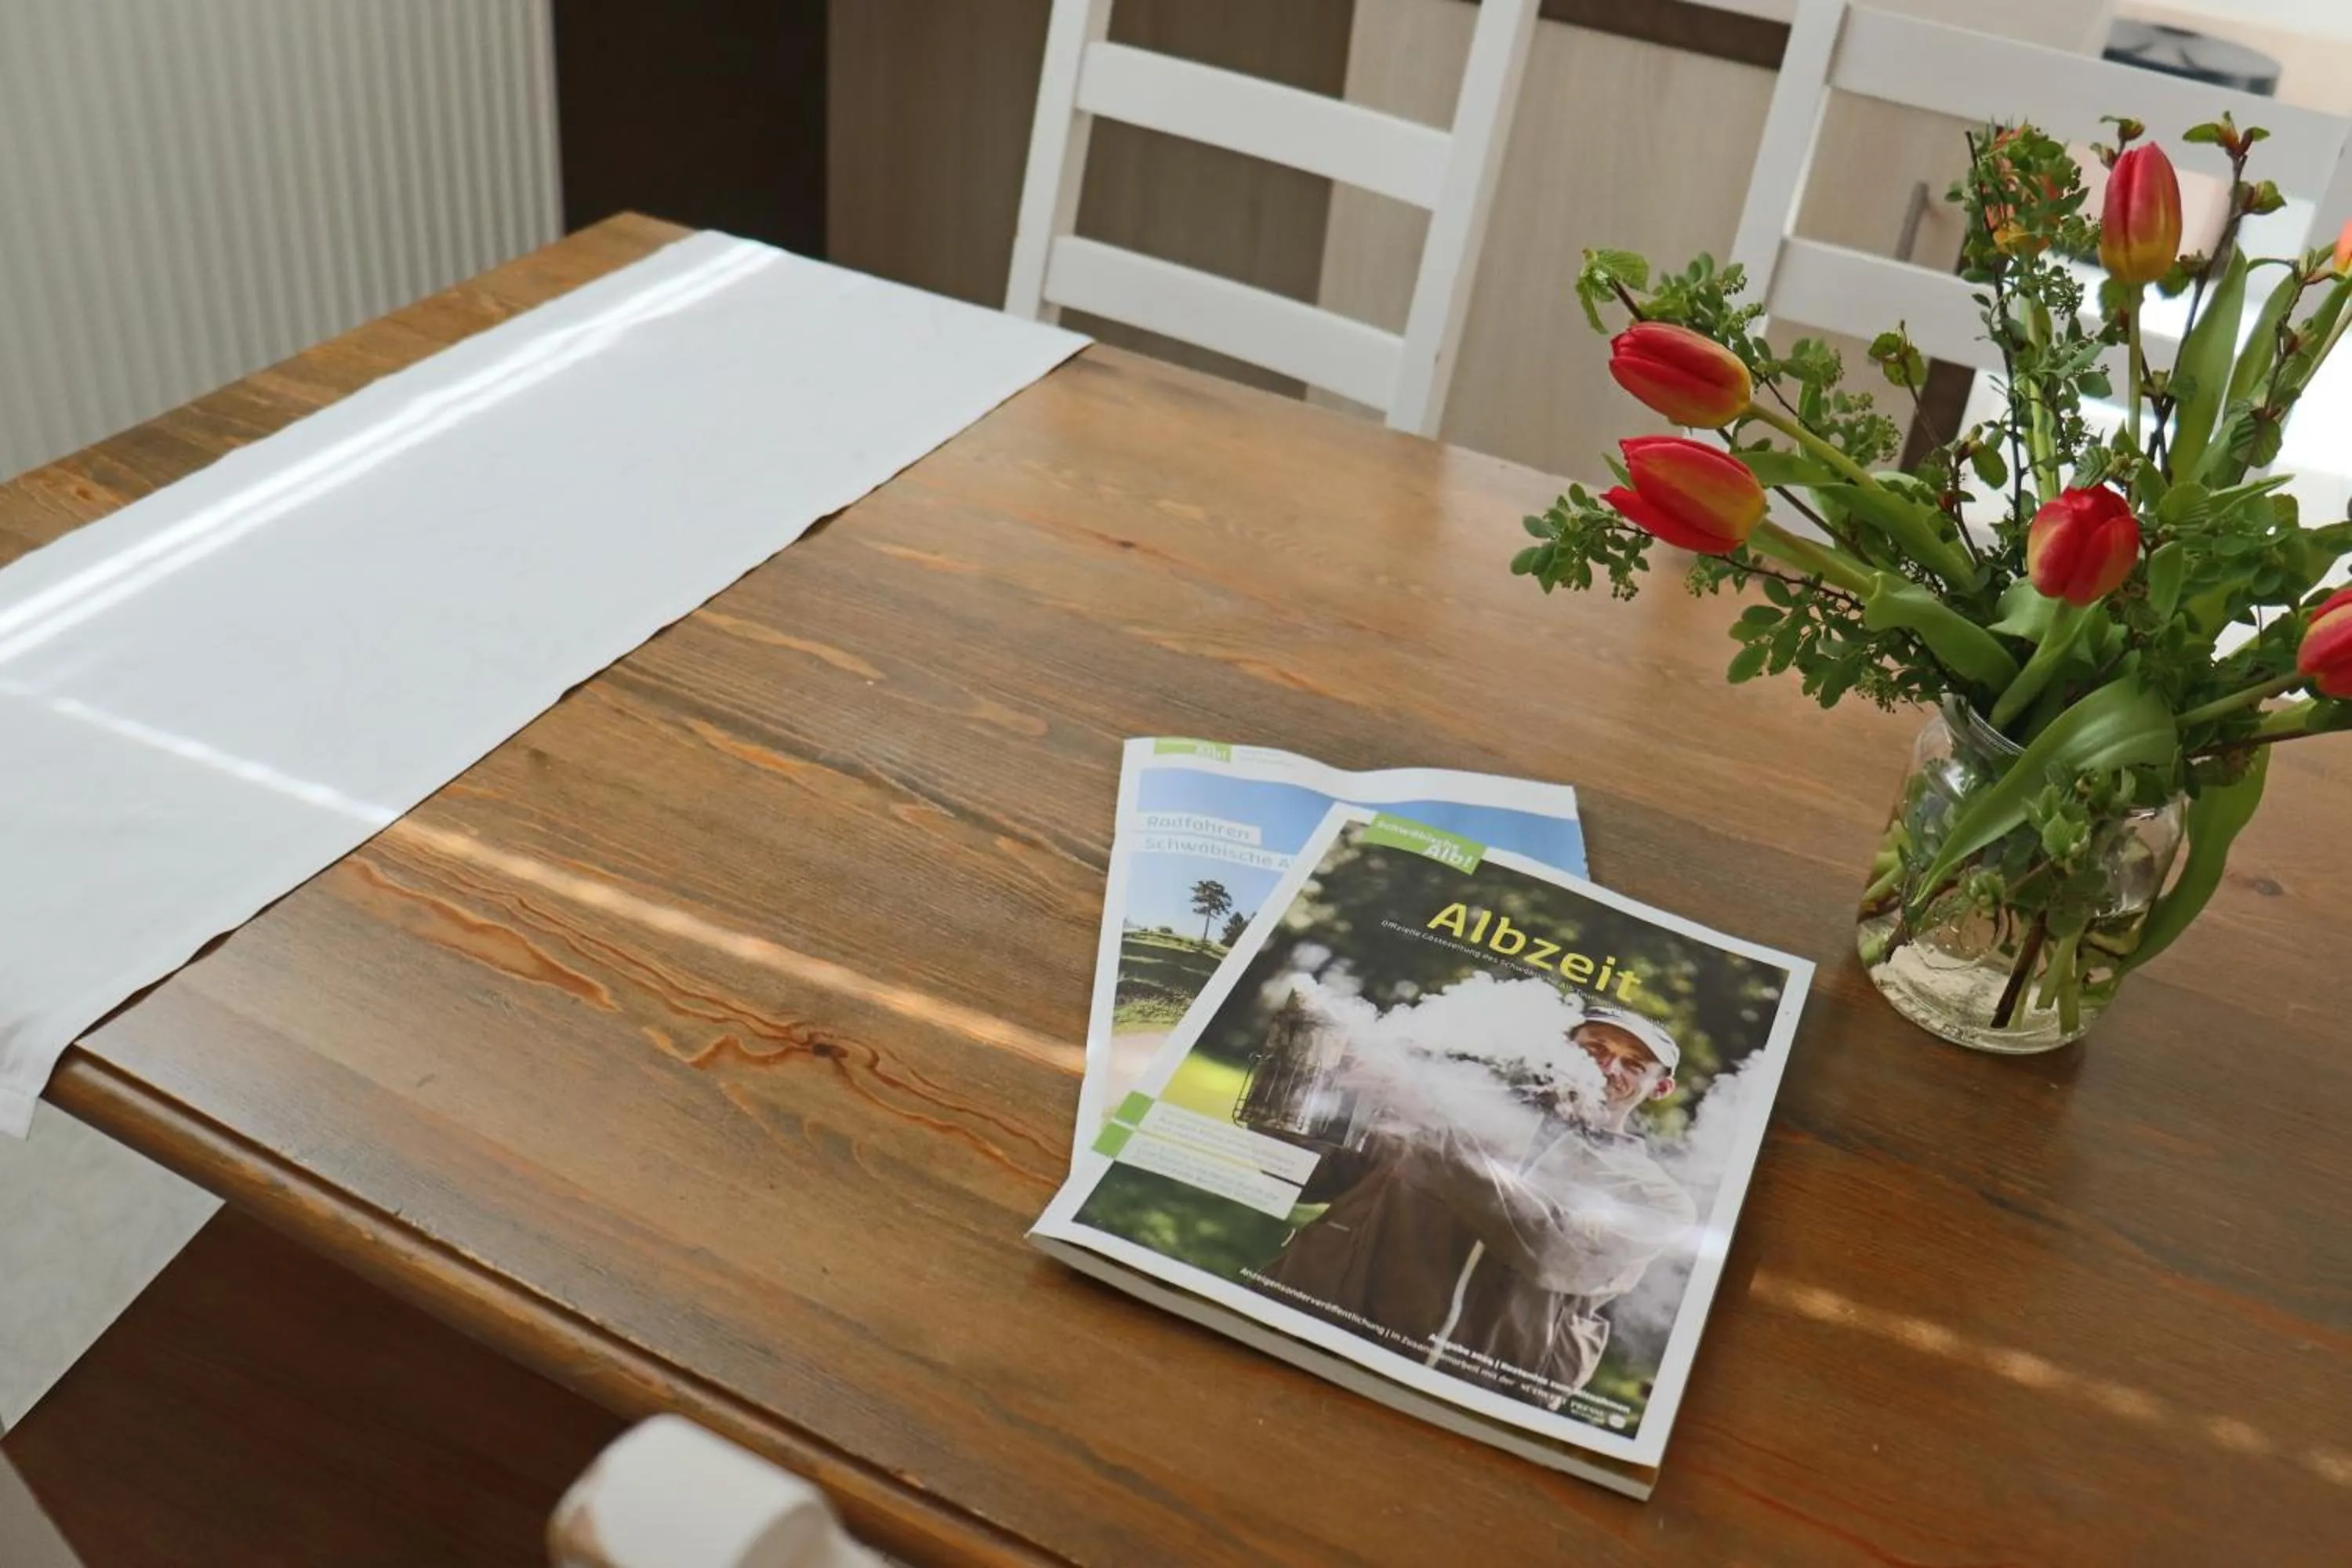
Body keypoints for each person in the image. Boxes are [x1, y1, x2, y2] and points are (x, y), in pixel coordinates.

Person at [1250, 1004, 1697, 1411]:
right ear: (1567, 1048)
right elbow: (1303, 1176)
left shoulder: (1658, 1199)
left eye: (1633, 1065)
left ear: (1660, 1087)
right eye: (1596, 1048)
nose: (1608, 1067)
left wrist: (1433, 1124)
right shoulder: (1457, 1100)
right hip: (1324, 1333)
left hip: (1480, 1398)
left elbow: (1550, 1253)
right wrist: (1297, 1071)